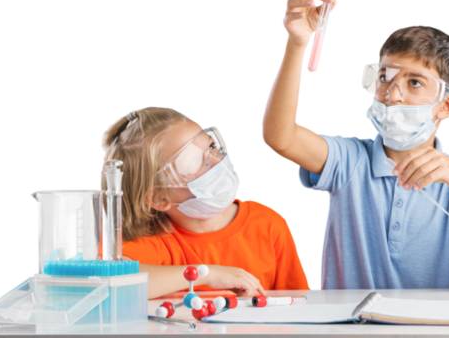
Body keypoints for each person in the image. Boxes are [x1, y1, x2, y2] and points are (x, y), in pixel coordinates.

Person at [260, 0, 449, 291]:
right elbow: (278, 137)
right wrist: (297, 45)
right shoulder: (348, 159)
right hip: (348, 329)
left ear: (447, 105)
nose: (392, 94)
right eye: (385, 77)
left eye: (414, 82)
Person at [99, 105, 311, 299]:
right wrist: (205, 274)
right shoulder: (148, 239)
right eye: (194, 161)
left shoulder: (268, 224)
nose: (218, 161)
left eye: (211, 147)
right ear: (157, 197)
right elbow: (107, 282)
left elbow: (301, 307)